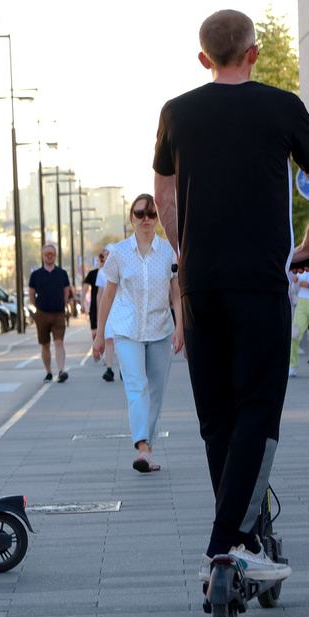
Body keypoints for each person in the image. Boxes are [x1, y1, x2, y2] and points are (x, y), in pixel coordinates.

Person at [154, 9, 309, 584]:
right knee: (258, 408)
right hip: (261, 282)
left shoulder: (176, 113)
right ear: (254, 54)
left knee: (217, 418)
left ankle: (244, 534)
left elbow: (164, 196)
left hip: (201, 282)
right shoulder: (283, 107)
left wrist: (185, 250)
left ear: (204, 59)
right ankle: (227, 542)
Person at [93, 194, 183, 473]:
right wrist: (99, 334)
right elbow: (107, 296)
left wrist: (181, 327)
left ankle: (149, 449)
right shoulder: (119, 253)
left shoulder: (169, 252)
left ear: (157, 218)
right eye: (140, 213)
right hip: (126, 330)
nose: (146, 218)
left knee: (155, 392)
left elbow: (177, 294)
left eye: (152, 214)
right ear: (131, 217)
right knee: (137, 386)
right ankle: (142, 449)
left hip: (160, 330)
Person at [27, 243, 73, 382]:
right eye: (47, 254)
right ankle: (48, 372)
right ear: (42, 256)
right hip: (42, 314)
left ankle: (60, 371)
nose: (49, 256)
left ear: (55, 256)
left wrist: (63, 303)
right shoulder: (35, 275)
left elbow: (66, 291)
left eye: (52, 254)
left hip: (58, 313)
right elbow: (31, 295)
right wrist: (38, 307)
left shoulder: (62, 273)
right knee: (45, 344)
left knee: (59, 342)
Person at [84, 247, 116, 382]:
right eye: (105, 255)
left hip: (121, 310)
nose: (106, 257)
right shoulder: (102, 273)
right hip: (108, 310)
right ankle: (109, 369)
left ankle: (124, 369)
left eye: (109, 254)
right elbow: (100, 294)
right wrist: (99, 314)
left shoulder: (123, 267)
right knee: (108, 339)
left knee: (120, 340)